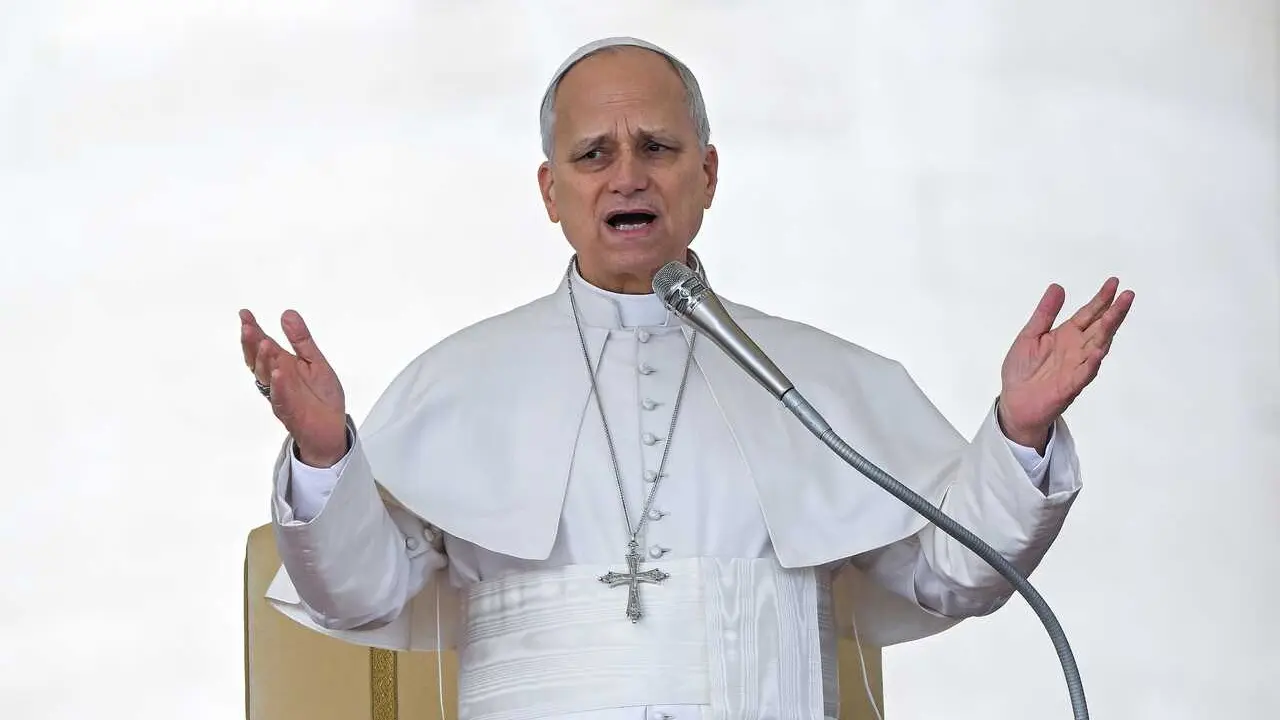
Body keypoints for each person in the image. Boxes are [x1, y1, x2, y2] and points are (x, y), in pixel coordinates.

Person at [243, 37, 1133, 720]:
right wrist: (325, 460)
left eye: (657, 146)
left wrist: (1018, 435)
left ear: (706, 175)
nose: (627, 175)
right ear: (550, 191)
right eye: (594, 154)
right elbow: (360, 595)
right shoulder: (460, 381)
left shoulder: (814, 378)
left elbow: (953, 575)